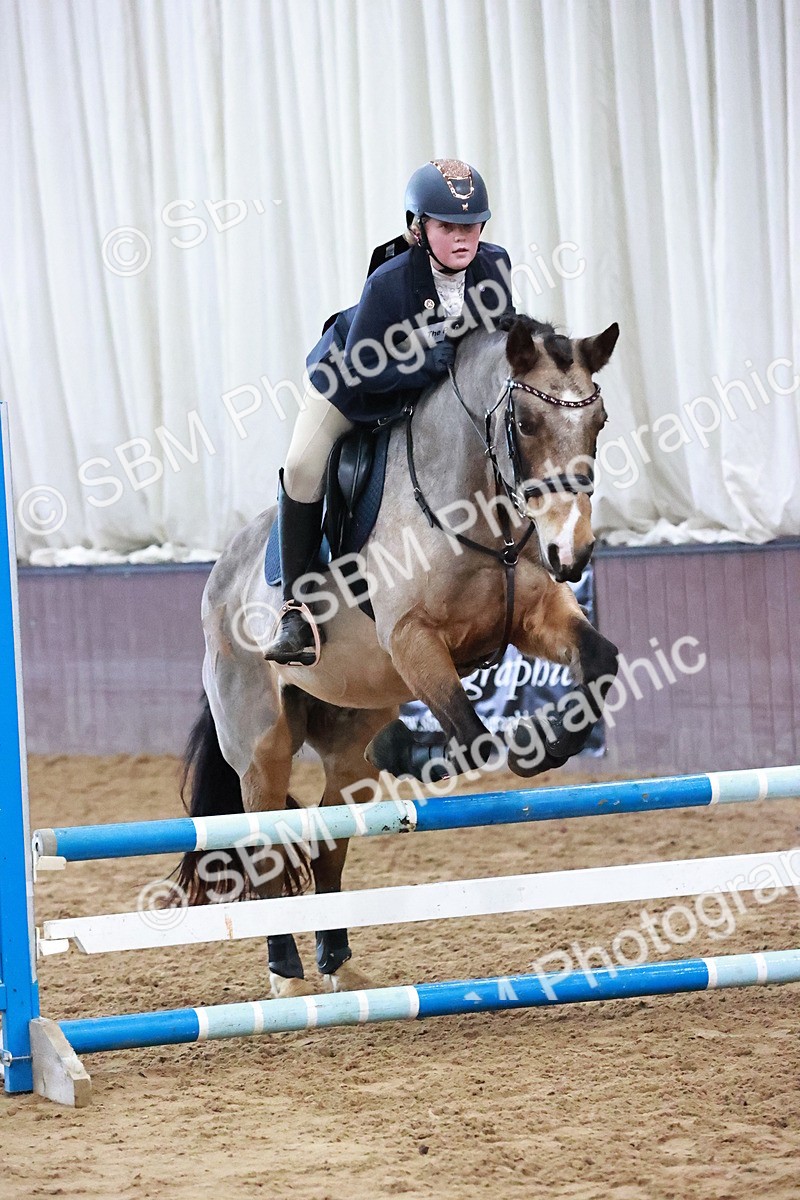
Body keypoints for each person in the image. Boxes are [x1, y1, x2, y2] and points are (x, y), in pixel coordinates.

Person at [264, 158, 514, 665]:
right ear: (417, 229)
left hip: (427, 392)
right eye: (447, 227)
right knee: (302, 466)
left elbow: (498, 346)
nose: (462, 238)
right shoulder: (389, 281)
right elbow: (361, 371)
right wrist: (419, 364)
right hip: (349, 384)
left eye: (471, 226)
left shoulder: (495, 266)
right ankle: (295, 611)